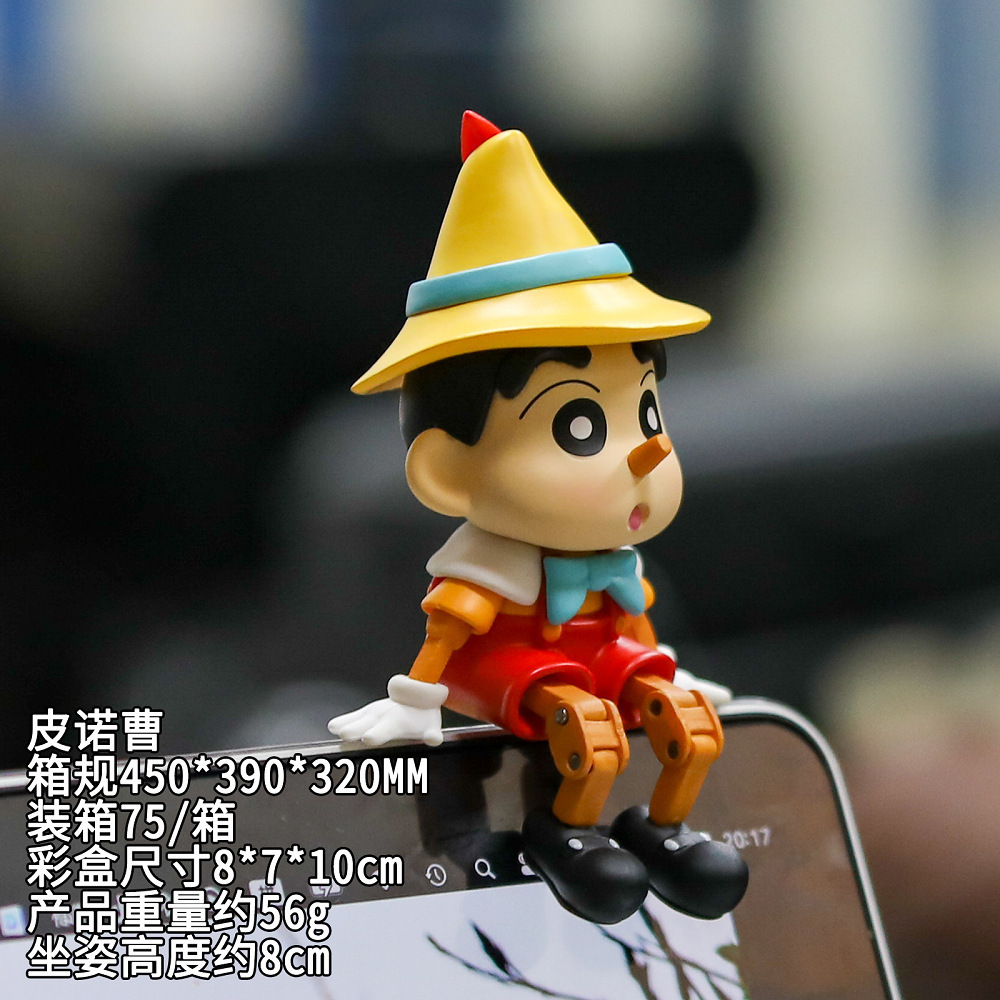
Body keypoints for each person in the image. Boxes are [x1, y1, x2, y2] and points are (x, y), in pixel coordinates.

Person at [329, 111, 747, 924]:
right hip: (508, 668)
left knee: (691, 726)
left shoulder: (614, 558)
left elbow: (631, 617)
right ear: (448, 471)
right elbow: (452, 629)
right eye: (579, 426)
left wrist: (664, 672)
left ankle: (664, 827)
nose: (649, 453)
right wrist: (415, 701)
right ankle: (567, 829)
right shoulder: (487, 562)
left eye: (649, 412)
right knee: (589, 731)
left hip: (598, 658)